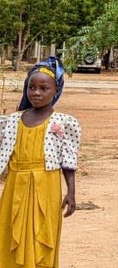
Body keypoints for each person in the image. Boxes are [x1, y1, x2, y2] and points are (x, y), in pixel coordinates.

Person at [0, 56, 81, 267]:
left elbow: (68, 161)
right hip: (15, 186)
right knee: (10, 232)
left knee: (42, 235)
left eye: (43, 88)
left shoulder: (63, 122)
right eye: (31, 87)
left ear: (56, 91)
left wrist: (71, 193)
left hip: (46, 186)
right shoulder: (12, 121)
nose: (36, 93)